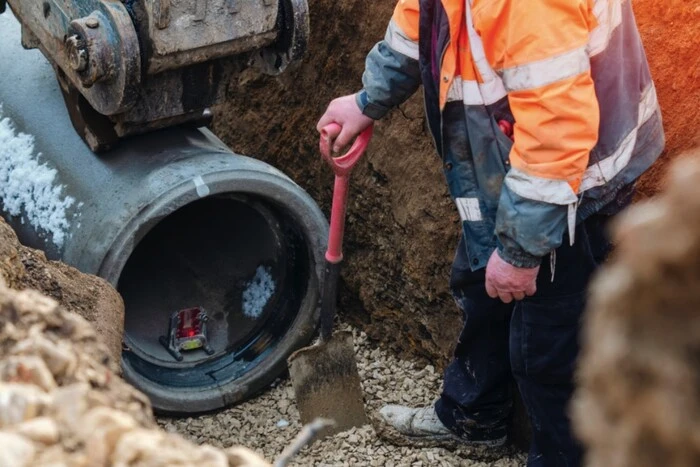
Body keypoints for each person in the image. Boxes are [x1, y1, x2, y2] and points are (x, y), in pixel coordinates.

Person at [317, 0, 664, 465]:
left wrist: (521, 252)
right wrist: (367, 100)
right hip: (504, 166)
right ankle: (473, 418)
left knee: (549, 350)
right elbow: (424, 22)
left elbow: (556, 135)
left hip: (570, 191)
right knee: (480, 287)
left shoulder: (529, 7)